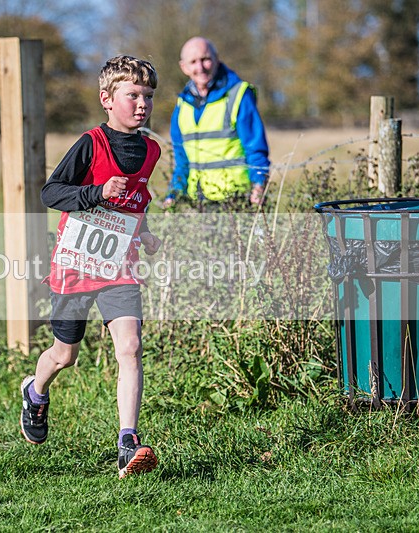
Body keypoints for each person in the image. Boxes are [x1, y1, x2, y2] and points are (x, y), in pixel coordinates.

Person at [20, 55, 163, 479]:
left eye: (149, 96)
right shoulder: (90, 144)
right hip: (76, 264)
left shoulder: (151, 149)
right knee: (65, 355)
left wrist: (145, 232)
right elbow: (52, 193)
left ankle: (127, 442)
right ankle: (35, 390)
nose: (142, 104)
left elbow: (134, 202)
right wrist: (97, 191)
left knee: (131, 347)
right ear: (107, 98)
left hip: (120, 265)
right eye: (132, 95)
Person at [163, 36, 270, 209]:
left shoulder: (238, 95)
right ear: (183, 67)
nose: (200, 67)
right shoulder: (182, 105)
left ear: (216, 59)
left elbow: (255, 147)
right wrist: (174, 194)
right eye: (193, 62)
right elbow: (181, 159)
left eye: (205, 59)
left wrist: (258, 185)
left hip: (237, 199)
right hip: (198, 203)